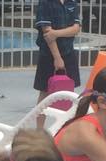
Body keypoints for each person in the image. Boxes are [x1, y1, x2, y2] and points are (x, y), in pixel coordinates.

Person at [33, 0, 81, 130]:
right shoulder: (46, 3)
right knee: (44, 92)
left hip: (68, 52)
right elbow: (47, 34)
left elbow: (76, 28)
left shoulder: (71, 3)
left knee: (68, 91)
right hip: (49, 55)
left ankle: (64, 127)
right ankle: (39, 130)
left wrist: (56, 33)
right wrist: (57, 58)